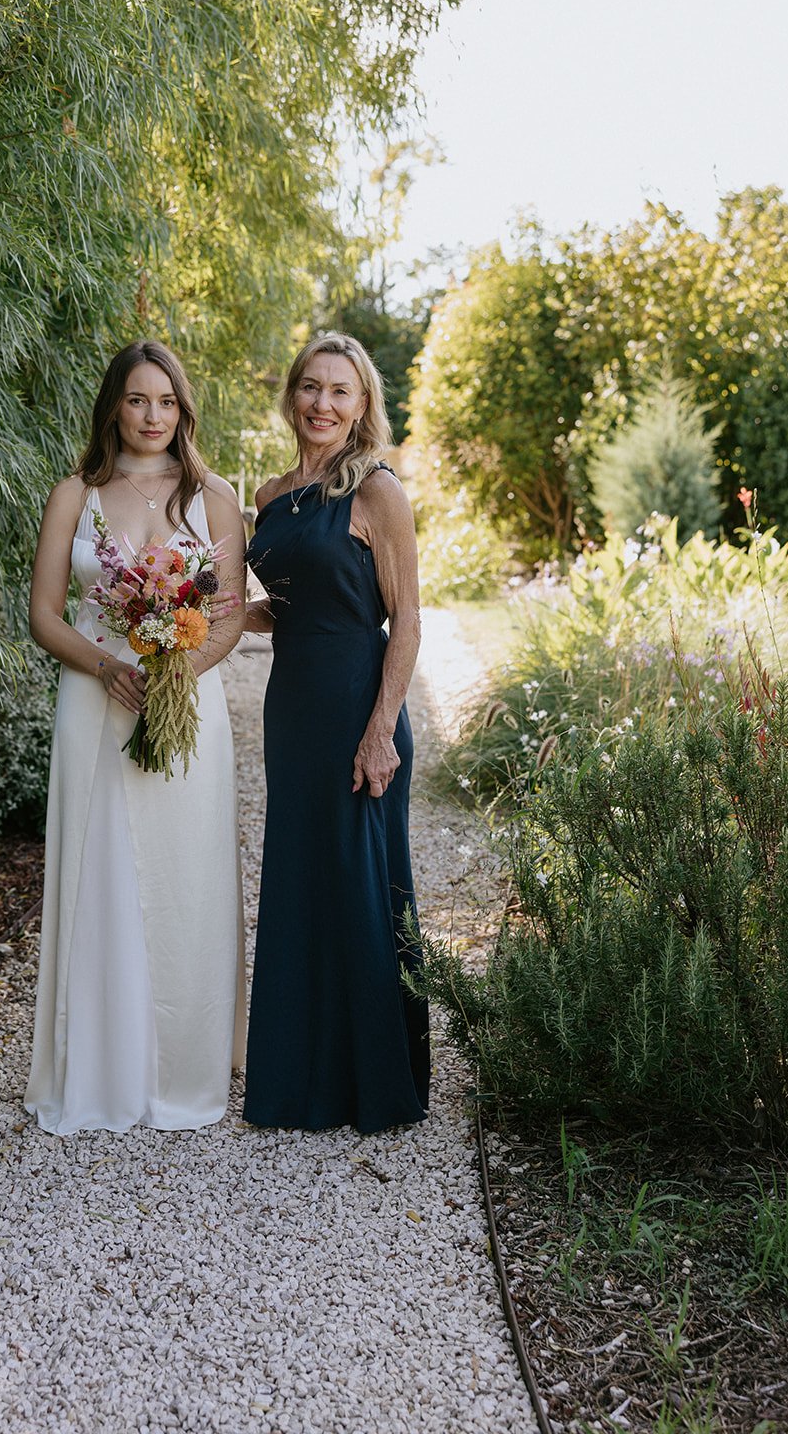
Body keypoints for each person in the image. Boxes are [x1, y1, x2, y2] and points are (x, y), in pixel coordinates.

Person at [24, 340, 247, 1133]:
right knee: (101, 871)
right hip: (95, 702)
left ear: (183, 410)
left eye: (166, 402)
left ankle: (184, 1067)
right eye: (136, 400)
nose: (153, 417)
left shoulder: (214, 497)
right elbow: (44, 613)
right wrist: (106, 666)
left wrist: (176, 675)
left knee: (187, 876)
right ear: (112, 407)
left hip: (186, 707)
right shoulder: (74, 494)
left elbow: (228, 616)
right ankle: (99, 1069)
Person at [240, 332, 430, 1132]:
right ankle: (296, 1082)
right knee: (299, 882)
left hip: (358, 705)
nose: (322, 403)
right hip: (292, 711)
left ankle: (372, 1084)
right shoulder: (269, 495)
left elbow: (407, 621)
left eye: (339, 391)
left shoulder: (376, 491)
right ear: (292, 395)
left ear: (361, 406)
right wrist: (201, 616)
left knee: (358, 885)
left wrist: (380, 731)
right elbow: (283, 607)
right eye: (310, 387)